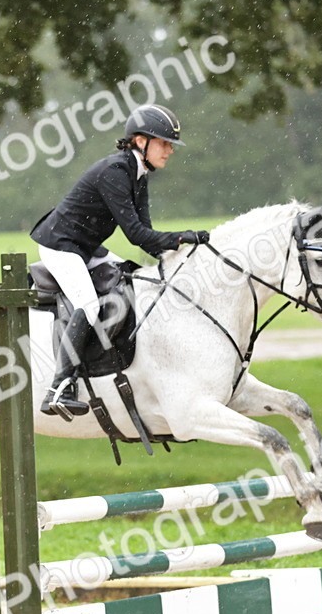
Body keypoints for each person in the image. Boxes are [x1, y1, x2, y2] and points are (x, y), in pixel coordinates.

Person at [30, 104, 210, 419]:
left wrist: (180, 259)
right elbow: (136, 234)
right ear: (141, 141)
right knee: (88, 305)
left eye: (171, 145)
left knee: (135, 276)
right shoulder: (115, 172)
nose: (169, 150)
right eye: (164, 143)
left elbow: (147, 236)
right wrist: (182, 237)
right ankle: (60, 387)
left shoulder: (138, 174)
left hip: (86, 247)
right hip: (61, 246)